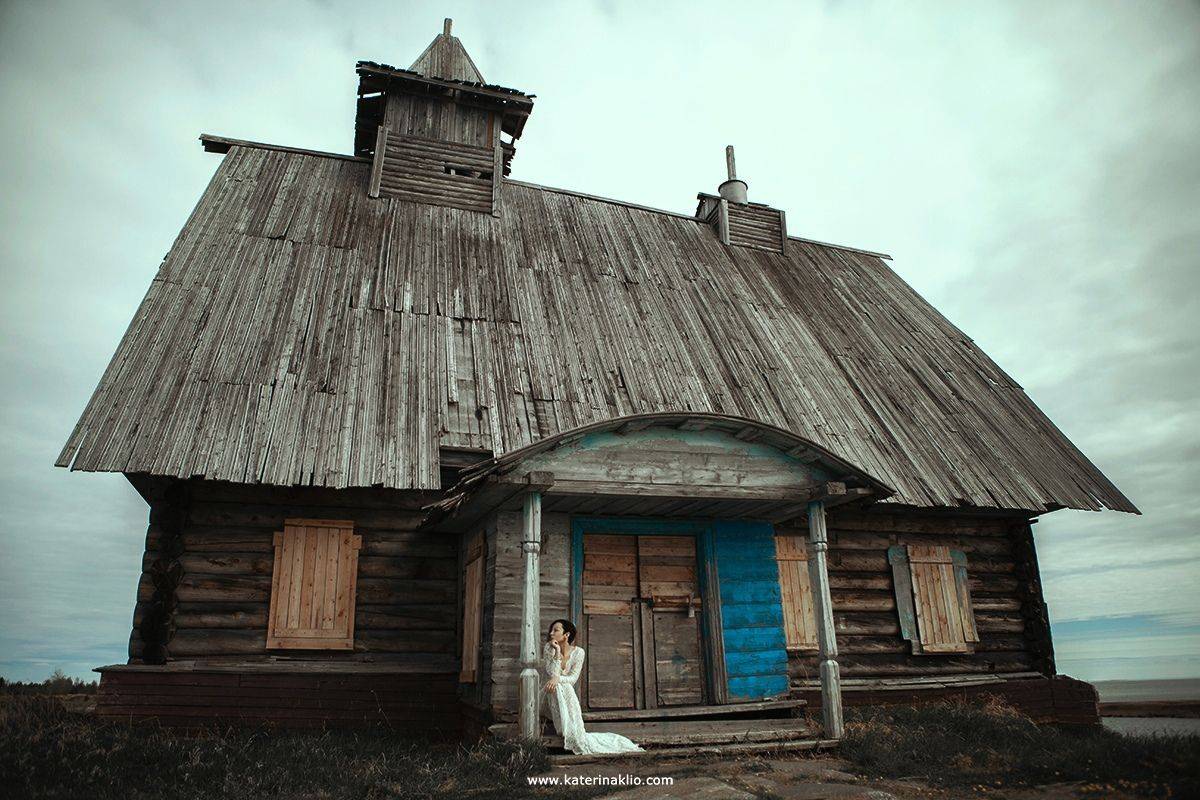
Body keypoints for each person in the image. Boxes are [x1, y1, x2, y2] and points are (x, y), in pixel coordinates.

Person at [541, 618, 644, 755]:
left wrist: (558, 678)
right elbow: (552, 674)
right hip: (548, 693)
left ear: (566, 635)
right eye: (551, 630)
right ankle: (566, 728)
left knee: (563, 686)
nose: (551, 633)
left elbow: (572, 679)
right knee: (559, 686)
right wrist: (556, 652)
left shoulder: (579, 652)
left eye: (556, 630)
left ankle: (572, 729)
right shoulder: (549, 648)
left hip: (562, 692)